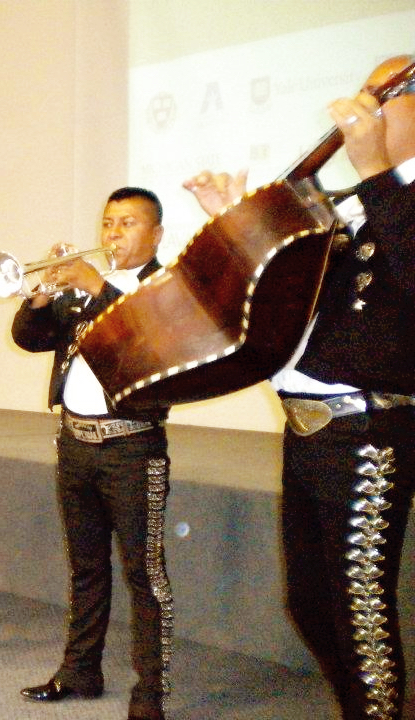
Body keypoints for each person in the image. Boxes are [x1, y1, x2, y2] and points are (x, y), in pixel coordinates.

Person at [184, 55, 415, 720]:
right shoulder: (361, 207)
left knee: (359, 611)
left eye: (385, 94)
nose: (361, 107)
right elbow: (293, 301)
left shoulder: (390, 200)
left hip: (368, 432)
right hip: (308, 428)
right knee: (310, 601)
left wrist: (375, 171)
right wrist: (238, 225)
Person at [12, 187, 172, 720]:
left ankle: (150, 693)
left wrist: (95, 283)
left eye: (127, 224)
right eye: (107, 223)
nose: (112, 234)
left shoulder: (167, 286)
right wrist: (39, 294)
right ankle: (81, 672)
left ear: (156, 234)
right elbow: (29, 338)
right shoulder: (81, 293)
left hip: (132, 447)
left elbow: (142, 339)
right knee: (85, 568)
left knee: (144, 574)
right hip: (75, 443)